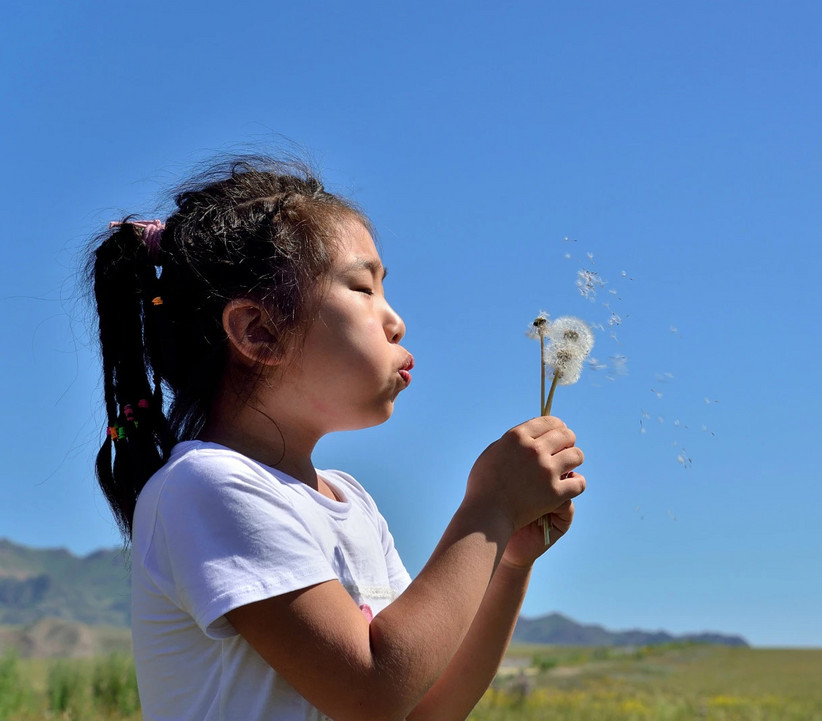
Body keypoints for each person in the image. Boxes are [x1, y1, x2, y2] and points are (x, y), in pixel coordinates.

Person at [86, 156, 586, 721]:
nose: (395, 321)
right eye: (362, 288)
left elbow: (423, 707)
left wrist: (509, 557)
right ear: (259, 332)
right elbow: (372, 691)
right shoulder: (206, 485)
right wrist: (489, 506)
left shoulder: (351, 501)